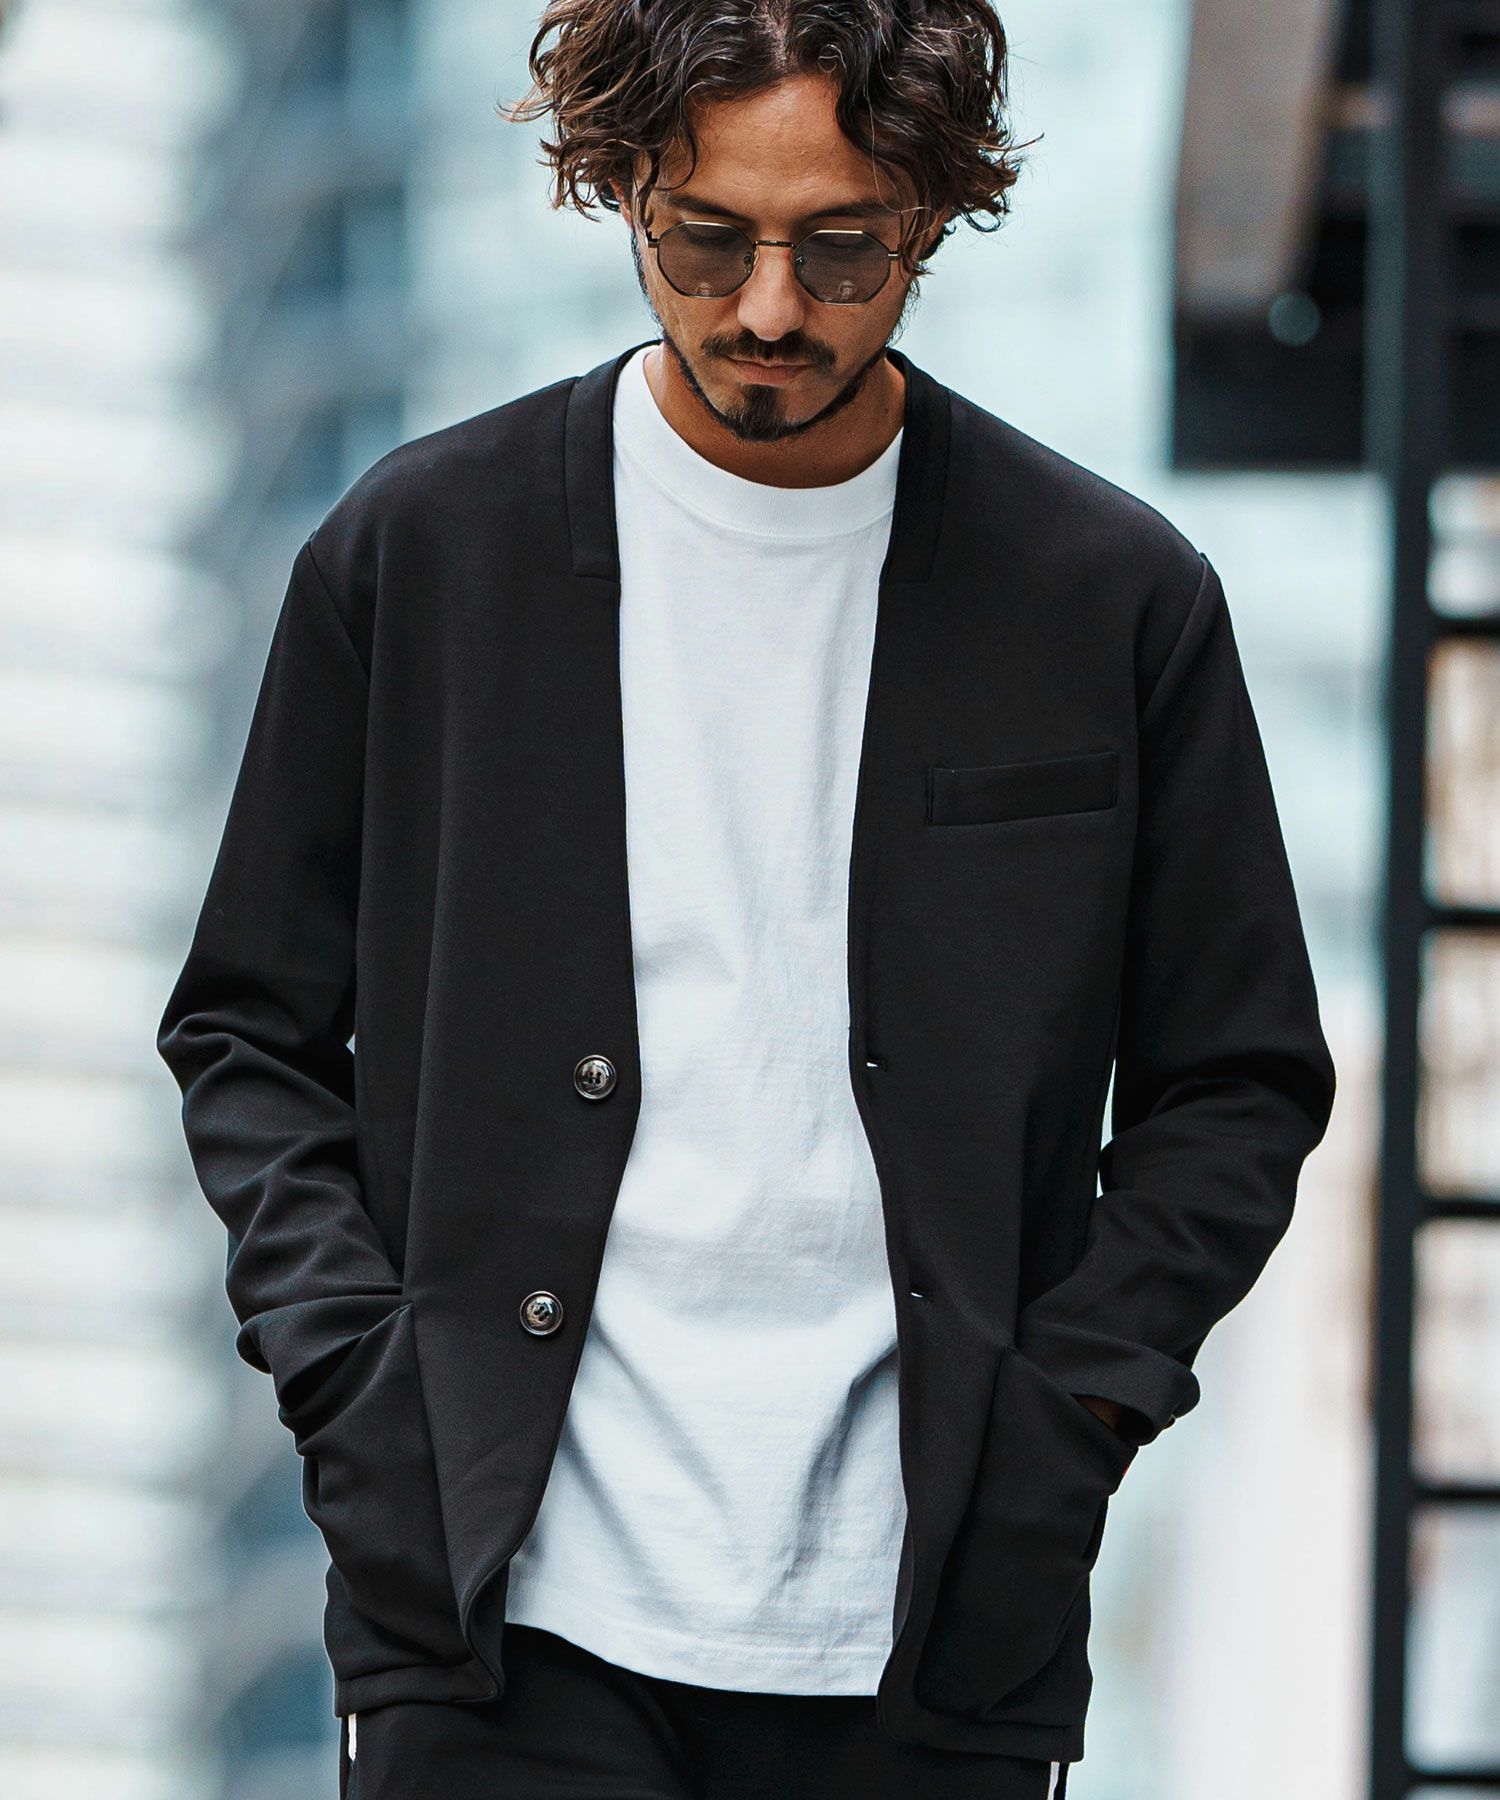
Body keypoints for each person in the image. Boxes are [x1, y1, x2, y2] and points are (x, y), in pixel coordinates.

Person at [156, 2, 1337, 1795]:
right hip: (498, 1620)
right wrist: (360, 1395)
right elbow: (247, 1029)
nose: (770, 309)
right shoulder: (420, 556)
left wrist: (1072, 1412)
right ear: (621, 188)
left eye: (840, 248)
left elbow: (1238, 1079)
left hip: (929, 1637)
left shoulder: (1110, 601)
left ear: (930, 215)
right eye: (706, 240)